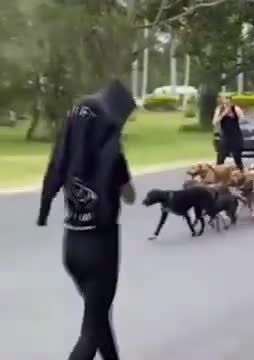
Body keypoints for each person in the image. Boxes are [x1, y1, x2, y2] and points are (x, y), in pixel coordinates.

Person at [36, 80, 136, 360]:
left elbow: (53, 173)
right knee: (90, 331)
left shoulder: (69, 154)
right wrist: (121, 163)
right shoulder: (112, 156)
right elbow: (130, 197)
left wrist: (43, 212)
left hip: (73, 248)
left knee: (98, 317)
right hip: (101, 249)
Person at [213, 95, 245, 170]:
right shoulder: (219, 109)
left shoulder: (236, 108)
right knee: (220, 157)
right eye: (225, 99)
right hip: (225, 136)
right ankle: (218, 174)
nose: (226, 101)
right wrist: (224, 113)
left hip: (235, 135)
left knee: (237, 157)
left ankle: (241, 172)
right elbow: (215, 122)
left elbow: (243, 119)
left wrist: (233, 115)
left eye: (228, 99)